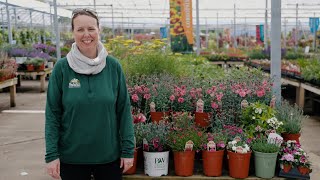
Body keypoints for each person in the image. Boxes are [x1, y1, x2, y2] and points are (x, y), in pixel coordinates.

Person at [45, 8, 134, 180]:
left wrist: (128, 150)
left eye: (91, 28)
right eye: (80, 29)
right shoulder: (62, 69)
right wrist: (51, 155)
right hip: (72, 159)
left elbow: (124, 110)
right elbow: (52, 115)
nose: (86, 34)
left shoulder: (113, 67)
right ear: (73, 33)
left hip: (109, 158)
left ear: (99, 30)